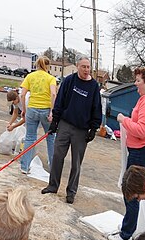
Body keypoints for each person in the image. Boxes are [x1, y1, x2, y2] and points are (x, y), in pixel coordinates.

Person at [108, 67, 145, 240]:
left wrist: (124, 120)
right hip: (141, 150)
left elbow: (141, 130)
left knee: (132, 191)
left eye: (138, 81)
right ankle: (130, 228)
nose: (135, 84)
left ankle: (126, 234)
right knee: (133, 191)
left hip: (142, 151)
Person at [41, 57, 102, 204]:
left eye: (88, 67)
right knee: (57, 156)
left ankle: (71, 192)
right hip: (65, 124)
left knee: (76, 162)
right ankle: (53, 185)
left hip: (82, 130)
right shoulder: (69, 80)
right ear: (77, 67)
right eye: (84, 67)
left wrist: (93, 128)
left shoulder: (94, 86)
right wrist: (55, 121)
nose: (86, 70)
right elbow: (60, 100)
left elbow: (97, 108)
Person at [19, 56, 57, 174]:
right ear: (48, 66)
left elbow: (22, 94)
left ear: (36, 65)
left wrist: (24, 110)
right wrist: (52, 110)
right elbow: (54, 94)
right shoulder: (51, 78)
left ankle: (24, 166)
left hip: (32, 108)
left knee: (30, 137)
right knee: (50, 138)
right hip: (45, 109)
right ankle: (53, 168)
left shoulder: (30, 76)